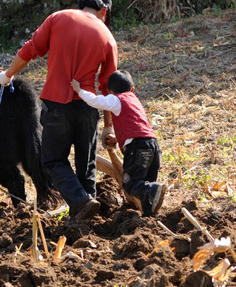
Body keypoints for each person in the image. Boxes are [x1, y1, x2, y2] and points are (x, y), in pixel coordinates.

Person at [0, 0, 118, 220]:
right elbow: (108, 88)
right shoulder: (107, 36)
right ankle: (88, 214)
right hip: (88, 108)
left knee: (53, 160)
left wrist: (7, 75)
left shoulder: (58, 17)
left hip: (56, 106)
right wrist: (108, 126)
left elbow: (31, 49)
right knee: (86, 165)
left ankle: (81, 202)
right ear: (103, 11)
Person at [70, 70, 166, 216]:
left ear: (110, 91)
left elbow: (95, 101)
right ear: (132, 88)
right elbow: (134, 126)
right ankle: (150, 214)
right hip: (152, 144)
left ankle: (153, 190)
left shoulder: (116, 99)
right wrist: (117, 139)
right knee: (145, 186)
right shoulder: (134, 100)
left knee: (131, 184)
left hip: (137, 148)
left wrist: (79, 90)